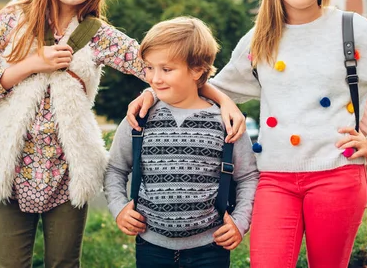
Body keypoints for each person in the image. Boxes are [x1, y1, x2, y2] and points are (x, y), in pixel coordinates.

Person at [127, 0, 367, 268]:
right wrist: (153, 92)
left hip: (337, 175)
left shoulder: (352, 30)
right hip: (274, 178)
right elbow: (204, 85)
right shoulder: (260, 37)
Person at [0, 0, 244, 268]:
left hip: (68, 169)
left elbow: (165, 72)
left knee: (65, 264)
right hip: (10, 164)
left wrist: (223, 100)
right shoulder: (12, 20)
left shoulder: (97, 34)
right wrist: (32, 64)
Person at [106, 17, 259, 268]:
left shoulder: (226, 121)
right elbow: (115, 168)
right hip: (151, 246)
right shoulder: (139, 117)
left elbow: (248, 177)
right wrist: (118, 207)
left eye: (166, 69)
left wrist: (240, 222)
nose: (155, 78)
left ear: (197, 70)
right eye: (150, 68)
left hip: (210, 248)